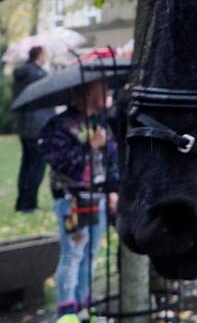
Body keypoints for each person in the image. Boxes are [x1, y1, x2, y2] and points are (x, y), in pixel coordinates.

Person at [39, 75, 120, 321]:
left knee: (91, 254)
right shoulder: (59, 124)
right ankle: (66, 312)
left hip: (99, 198)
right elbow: (59, 162)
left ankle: (84, 308)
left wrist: (113, 189)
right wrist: (91, 146)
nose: (107, 91)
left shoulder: (101, 122)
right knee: (72, 254)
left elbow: (111, 161)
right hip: (72, 201)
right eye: (101, 87)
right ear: (86, 91)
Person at [12, 45, 51, 212]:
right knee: (36, 165)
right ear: (39, 55)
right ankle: (30, 204)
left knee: (27, 165)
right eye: (45, 53)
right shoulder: (37, 74)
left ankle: (22, 202)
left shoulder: (22, 74)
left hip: (25, 126)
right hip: (37, 126)